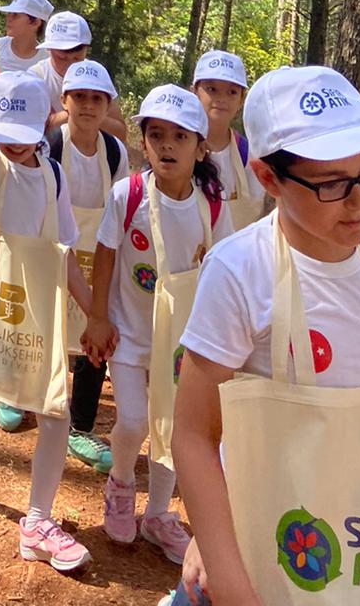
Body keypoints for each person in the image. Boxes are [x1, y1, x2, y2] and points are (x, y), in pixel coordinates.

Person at [171, 65, 360, 606]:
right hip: (273, 542)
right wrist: (223, 557)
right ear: (268, 178)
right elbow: (193, 435)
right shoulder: (240, 271)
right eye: (331, 184)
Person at [0, 29, 94, 573]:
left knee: (53, 408)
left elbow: (66, 251)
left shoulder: (53, 176)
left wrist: (93, 312)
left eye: (23, 134)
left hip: (35, 307)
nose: (14, 144)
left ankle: (37, 519)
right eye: (5, 132)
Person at [83, 85, 233, 566]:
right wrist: (99, 316)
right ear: (143, 142)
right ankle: (121, 485)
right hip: (129, 332)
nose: (167, 145)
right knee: (132, 418)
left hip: (183, 342)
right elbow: (106, 252)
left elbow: (222, 265)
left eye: (179, 137)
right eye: (157, 135)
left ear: (200, 146)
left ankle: (160, 514)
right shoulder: (126, 195)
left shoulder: (211, 203)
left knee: (174, 426)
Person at [49, 59, 129, 471]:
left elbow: (119, 210)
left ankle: (79, 427)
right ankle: (16, 397)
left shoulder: (114, 152)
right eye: (79, 96)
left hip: (96, 255)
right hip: (50, 251)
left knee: (94, 332)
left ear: (108, 105)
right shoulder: (51, 145)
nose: (87, 105)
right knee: (42, 325)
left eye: (96, 98)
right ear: (64, 100)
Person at [191, 49, 266, 231]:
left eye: (232, 92)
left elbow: (257, 211)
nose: (221, 99)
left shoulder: (248, 154)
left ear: (241, 100)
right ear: (194, 92)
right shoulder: (178, 150)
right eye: (212, 89)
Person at [34, 12, 128, 140]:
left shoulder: (96, 75)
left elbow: (120, 132)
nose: (70, 64)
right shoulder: (35, 78)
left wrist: (90, 115)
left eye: (77, 58)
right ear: (48, 49)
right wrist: (75, 113)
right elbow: (36, 130)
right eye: (62, 58)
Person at [0, 0, 53, 94]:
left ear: (35, 22)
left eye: (15, 15)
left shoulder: (47, 60)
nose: (8, 18)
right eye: (9, 13)